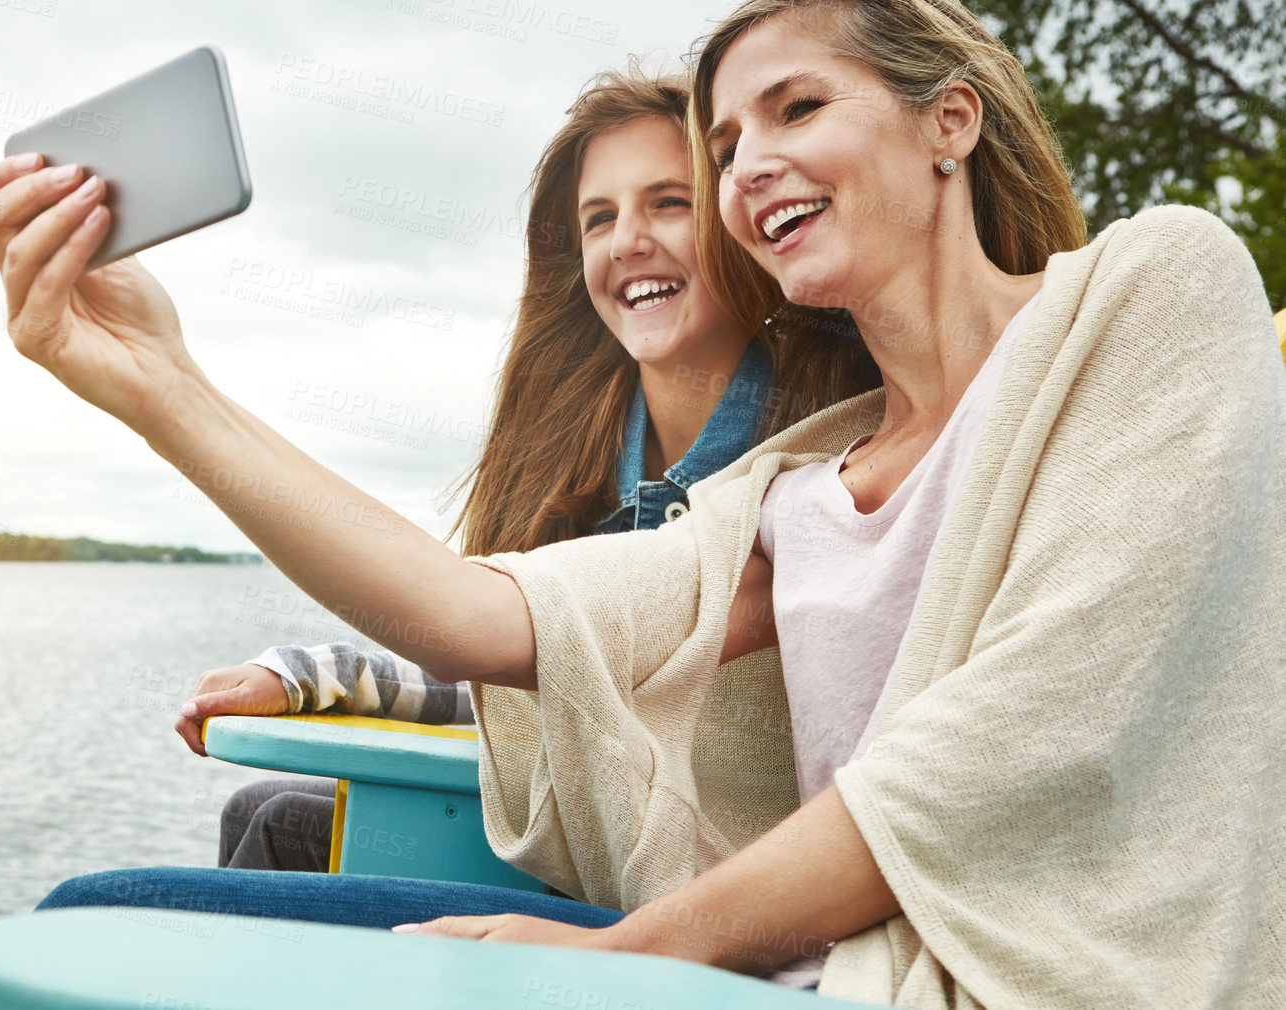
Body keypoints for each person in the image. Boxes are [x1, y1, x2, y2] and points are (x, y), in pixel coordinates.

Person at [0, 0, 1284, 1005]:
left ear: (951, 119)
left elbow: (1000, 745)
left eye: (797, 108)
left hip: (991, 978)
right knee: (102, 921)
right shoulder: (788, 492)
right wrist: (159, 381)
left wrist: (631, 951)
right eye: (730, 142)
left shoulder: (1152, 293)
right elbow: (473, 613)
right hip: (794, 966)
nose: (752, 162)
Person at [190, 68, 876, 873]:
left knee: (260, 836)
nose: (627, 241)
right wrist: (313, 675)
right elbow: (509, 662)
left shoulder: (813, 457)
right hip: (586, 838)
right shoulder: (575, 450)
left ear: (738, 221)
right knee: (268, 810)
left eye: (669, 202)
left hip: (690, 877)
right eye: (599, 218)